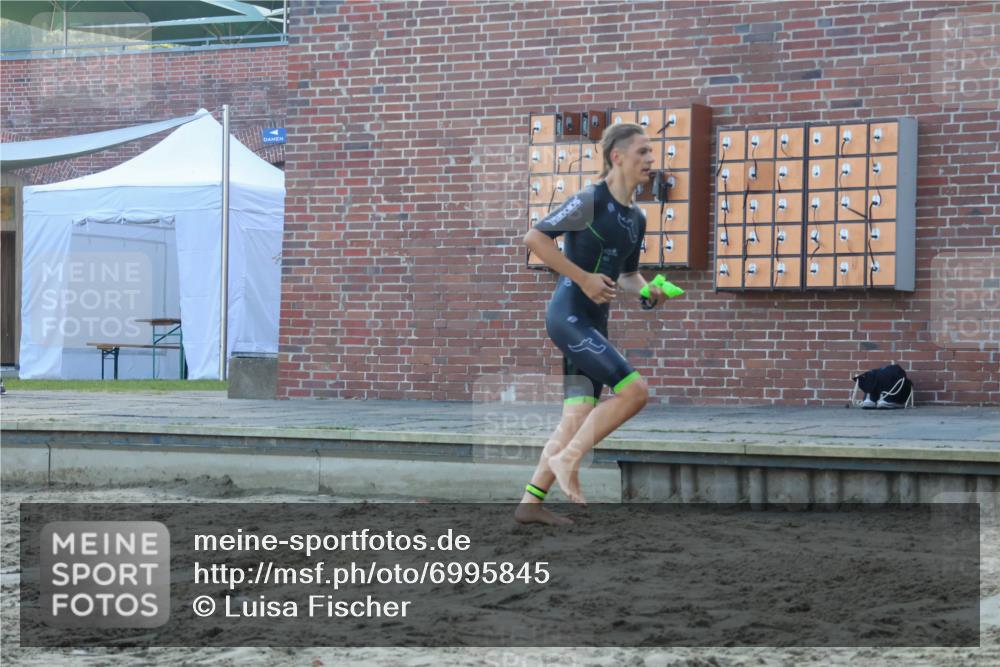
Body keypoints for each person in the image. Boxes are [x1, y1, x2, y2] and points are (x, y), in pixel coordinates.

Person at [515, 122, 660, 526]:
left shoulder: (637, 217)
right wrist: (583, 278)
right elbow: (535, 238)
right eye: (642, 153)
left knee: (577, 417)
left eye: (651, 153)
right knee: (634, 392)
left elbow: (628, 276)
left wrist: (648, 292)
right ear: (617, 157)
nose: (651, 160)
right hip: (569, 315)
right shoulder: (589, 200)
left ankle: (530, 504)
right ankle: (568, 459)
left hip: (594, 323)